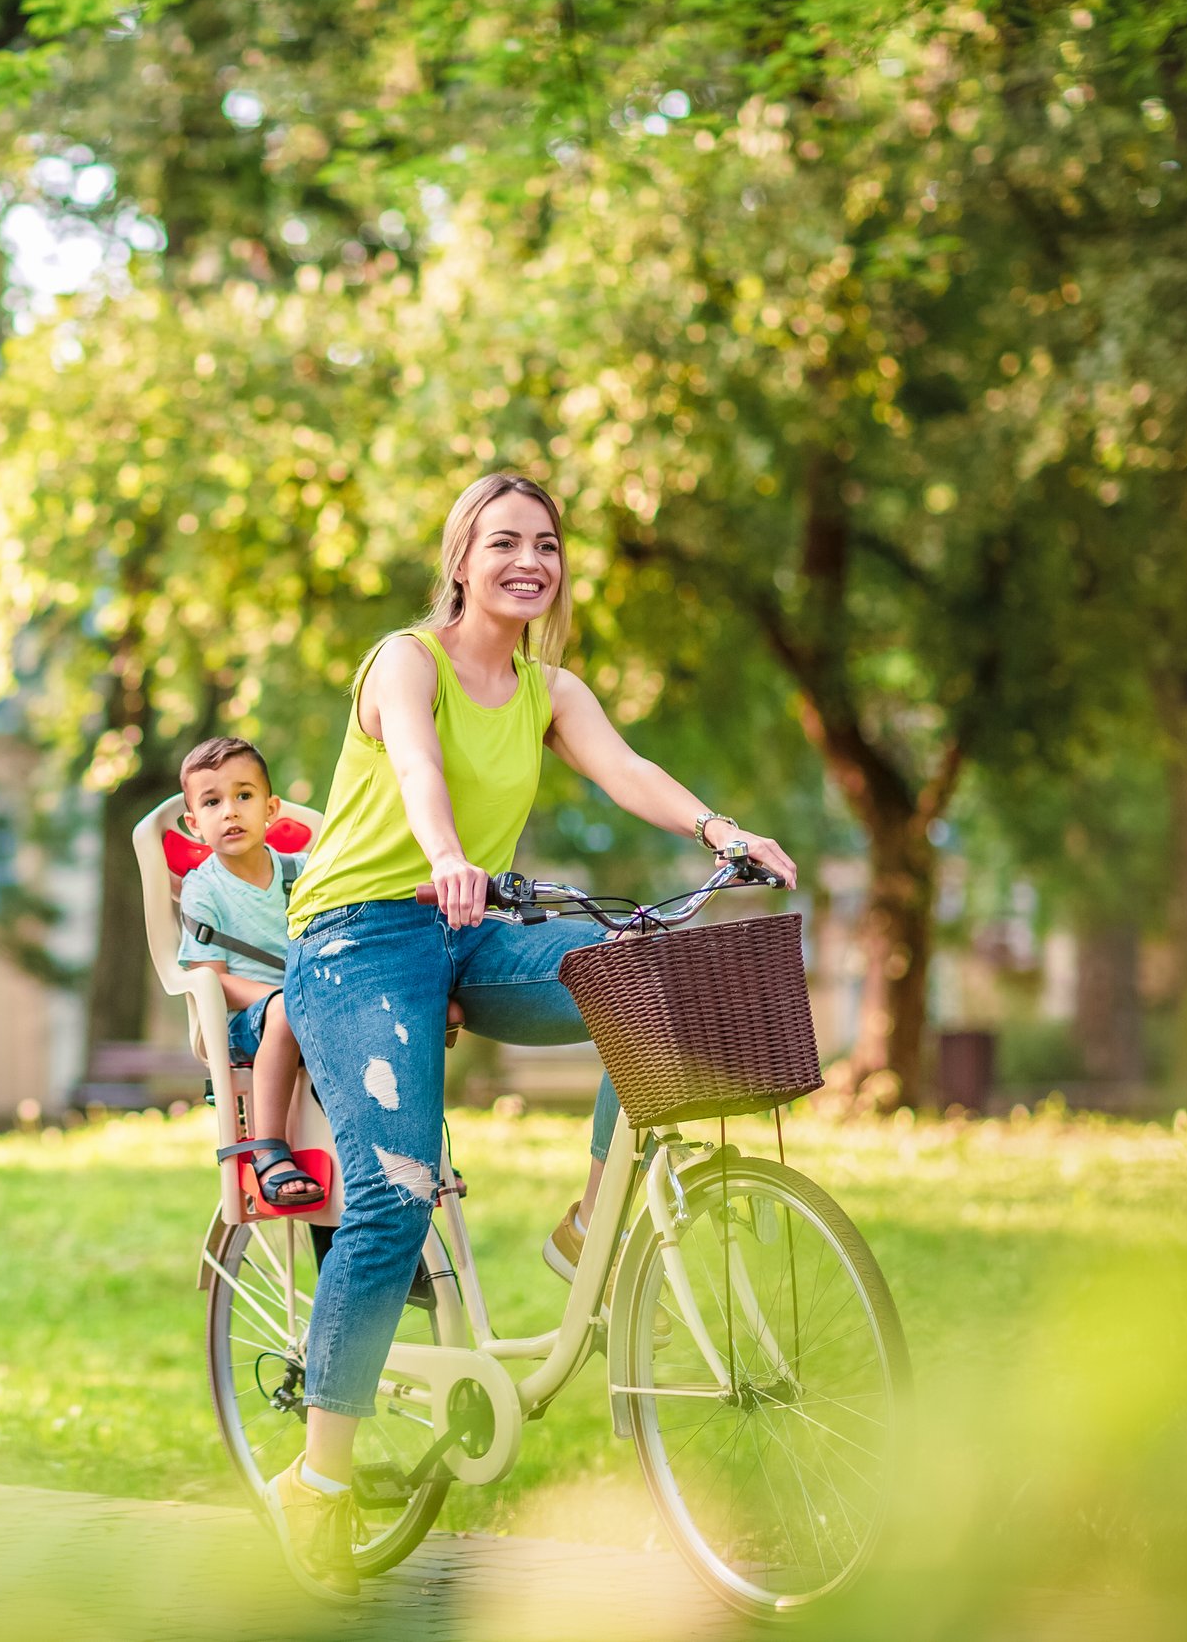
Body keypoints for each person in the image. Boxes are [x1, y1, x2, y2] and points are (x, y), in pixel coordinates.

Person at [262, 472, 798, 1600]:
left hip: (465, 926)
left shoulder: (550, 687)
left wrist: (719, 826)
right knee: (394, 1193)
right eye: (502, 541)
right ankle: (319, 1476)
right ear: (460, 559)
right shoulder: (405, 659)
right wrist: (447, 850)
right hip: (358, 939)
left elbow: (627, 769)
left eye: (545, 544)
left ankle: (585, 1219)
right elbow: (414, 764)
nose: (528, 560)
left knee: (644, 983)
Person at [175, 736, 324, 1211]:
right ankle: (268, 1149)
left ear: (271, 807)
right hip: (248, 1020)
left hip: (314, 1004)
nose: (230, 812)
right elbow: (211, 977)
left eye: (244, 796)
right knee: (284, 1011)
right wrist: (286, 997)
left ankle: (406, 1152)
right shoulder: (205, 889)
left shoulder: (302, 872)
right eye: (213, 802)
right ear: (194, 824)